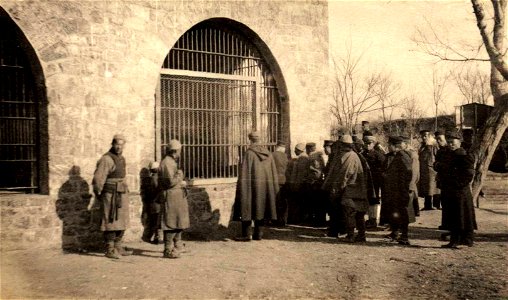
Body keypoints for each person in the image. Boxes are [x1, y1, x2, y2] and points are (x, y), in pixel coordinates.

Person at [91, 134, 132, 259]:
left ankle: (118, 246)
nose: (119, 147)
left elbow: (123, 176)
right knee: (111, 220)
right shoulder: (106, 159)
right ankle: (110, 249)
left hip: (121, 193)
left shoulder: (122, 159)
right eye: (116, 144)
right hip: (110, 194)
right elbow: (98, 179)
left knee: (122, 220)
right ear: (112, 144)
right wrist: (99, 194)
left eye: (121, 144)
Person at [233, 131, 279, 241]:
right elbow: (272, 173)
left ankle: (246, 235)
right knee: (261, 207)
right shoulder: (269, 153)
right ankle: (258, 234)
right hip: (264, 187)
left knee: (247, 205)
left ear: (250, 139)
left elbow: (244, 173)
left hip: (250, 186)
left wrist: (242, 186)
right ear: (260, 139)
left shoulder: (249, 153)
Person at [323, 135, 368, 243]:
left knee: (350, 213)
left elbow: (345, 175)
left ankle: (351, 235)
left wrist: (337, 189)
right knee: (359, 213)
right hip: (358, 190)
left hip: (350, 190)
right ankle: (361, 235)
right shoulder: (353, 155)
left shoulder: (349, 156)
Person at [441, 132, 477, 249]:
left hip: (460, 191)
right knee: (454, 216)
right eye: (449, 142)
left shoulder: (464, 155)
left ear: (459, 143)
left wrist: (458, 184)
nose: (451, 144)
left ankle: (464, 240)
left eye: (453, 142)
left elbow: (469, 174)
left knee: (462, 216)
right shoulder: (449, 155)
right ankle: (457, 240)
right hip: (451, 190)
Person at [158, 139, 189, 258]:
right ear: (175, 151)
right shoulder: (166, 163)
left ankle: (177, 246)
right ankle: (168, 249)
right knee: (170, 222)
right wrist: (180, 176)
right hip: (171, 195)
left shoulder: (172, 161)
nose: (180, 152)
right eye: (179, 150)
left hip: (177, 195)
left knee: (179, 221)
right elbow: (170, 182)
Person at [382, 136, 413, 245]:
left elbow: (408, 173)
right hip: (396, 190)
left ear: (394, 146)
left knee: (403, 213)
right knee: (395, 213)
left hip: (400, 191)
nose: (388, 147)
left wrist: (404, 187)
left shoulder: (402, 156)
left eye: (389, 145)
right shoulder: (399, 156)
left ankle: (404, 236)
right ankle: (395, 233)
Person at [362, 134, 386, 229]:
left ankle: (373, 219)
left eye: (369, 143)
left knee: (374, 200)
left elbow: (383, 167)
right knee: (366, 199)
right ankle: (367, 219)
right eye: (365, 143)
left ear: (373, 144)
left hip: (374, 181)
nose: (367, 145)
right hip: (365, 181)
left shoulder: (378, 155)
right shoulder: (362, 154)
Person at [434, 131, 452, 240]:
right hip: (443, 183)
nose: (439, 142)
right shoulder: (440, 151)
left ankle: (450, 231)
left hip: (451, 183)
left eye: (440, 139)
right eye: (437, 140)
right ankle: (446, 229)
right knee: (445, 206)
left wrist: (440, 165)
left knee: (450, 207)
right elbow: (435, 165)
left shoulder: (451, 151)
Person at [287, 142, 310, 224]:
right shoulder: (301, 158)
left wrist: (296, 186)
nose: (294, 151)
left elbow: (300, 174)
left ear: (299, 150)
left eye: (296, 150)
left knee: (299, 203)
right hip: (299, 184)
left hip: (299, 184)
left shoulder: (302, 158)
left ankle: (299, 220)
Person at [305, 142, 326, 226]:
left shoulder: (313, 157)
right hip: (318, 182)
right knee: (318, 203)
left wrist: (311, 180)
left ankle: (318, 221)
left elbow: (315, 172)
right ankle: (319, 220)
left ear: (308, 149)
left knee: (315, 202)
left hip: (314, 182)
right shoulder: (318, 156)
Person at [140, 161, 162, 244]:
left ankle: (152, 237)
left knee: (154, 220)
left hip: (152, 202)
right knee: (156, 220)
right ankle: (157, 237)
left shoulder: (150, 178)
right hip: (156, 202)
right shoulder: (156, 178)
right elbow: (156, 190)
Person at [418, 130, 439, 210]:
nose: (424, 138)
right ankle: (427, 205)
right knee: (426, 188)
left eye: (426, 136)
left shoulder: (434, 145)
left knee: (434, 188)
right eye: (422, 136)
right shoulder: (422, 146)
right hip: (424, 170)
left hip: (432, 170)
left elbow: (438, 156)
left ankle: (436, 205)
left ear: (430, 136)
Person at [401, 135, 420, 217]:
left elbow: (414, 170)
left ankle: (415, 212)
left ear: (405, 144)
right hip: (407, 180)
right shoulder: (404, 153)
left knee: (412, 194)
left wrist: (412, 182)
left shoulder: (412, 154)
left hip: (411, 180)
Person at [272, 141, 289, 226]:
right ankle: (283, 221)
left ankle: (275, 220)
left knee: (275, 201)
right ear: (283, 148)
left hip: (275, 181)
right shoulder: (286, 156)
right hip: (284, 181)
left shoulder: (273, 155)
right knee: (283, 202)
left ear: (277, 147)